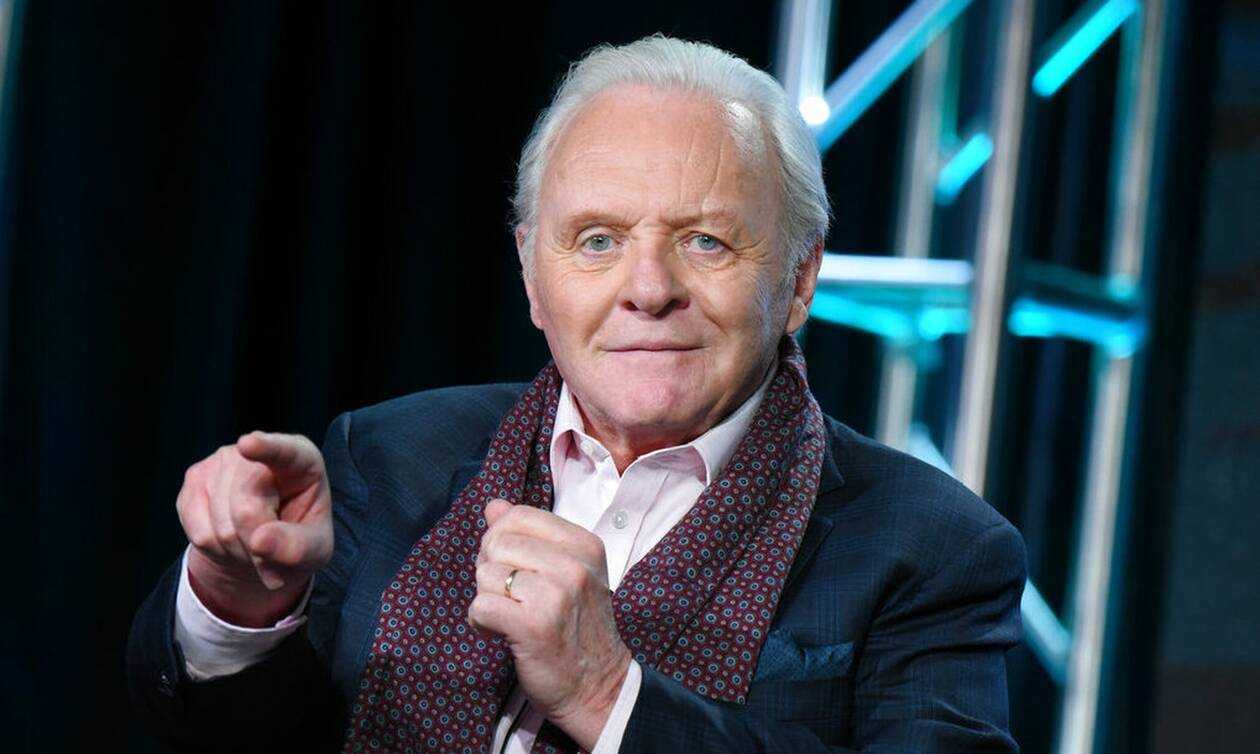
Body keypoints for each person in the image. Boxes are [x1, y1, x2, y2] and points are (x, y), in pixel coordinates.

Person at [127, 35, 1026, 753]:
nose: (649, 290)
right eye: (597, 240)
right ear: (531, 273)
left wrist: (606, 692)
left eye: (706, 241)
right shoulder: (390, 455)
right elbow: (238, 735)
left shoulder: (933, 549)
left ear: (799, 279)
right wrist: (242, 606)